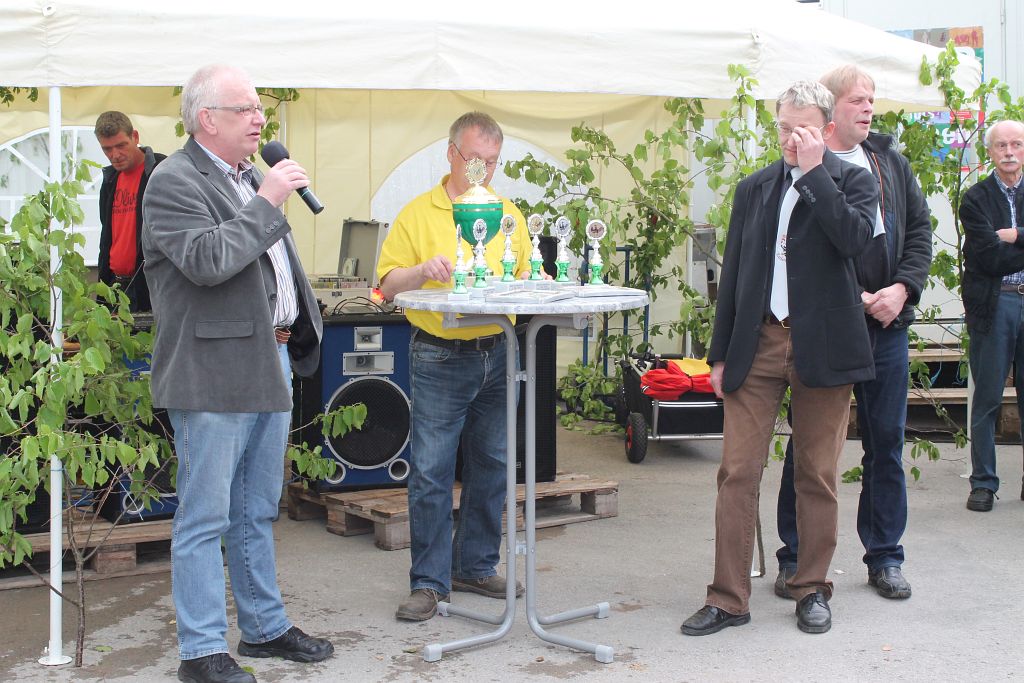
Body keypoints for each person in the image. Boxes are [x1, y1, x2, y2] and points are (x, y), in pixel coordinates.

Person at [142, 64, 331, 683]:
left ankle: (265, 627)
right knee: (205, 517)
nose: (259, 119)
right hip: (212, 371)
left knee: (257, 508)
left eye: (259, 108)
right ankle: (200, 652)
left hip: (269, 359)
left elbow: (273, 265)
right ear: (207, 119)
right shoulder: (173, 181)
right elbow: (206, 261)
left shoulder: (248, 175)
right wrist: (269, 201)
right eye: (245, 108)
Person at [680, 81, 878, 637]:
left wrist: (815, 174)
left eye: (803, 129)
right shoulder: (756, 187)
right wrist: (720, 355)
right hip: (760, 341)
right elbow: (736, 274)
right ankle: (728, 598)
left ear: (827, 129)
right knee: (737, 472)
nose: (791, 139)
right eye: (784, 128)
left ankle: (810, 588)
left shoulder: (853, 180)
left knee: (816, 473)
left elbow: (856, 243)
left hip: (824, 346)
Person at [774, 66, 933, 601]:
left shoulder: (889, 162)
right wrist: (850, 298)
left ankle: (885, 556)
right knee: (810, 446)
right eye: (857, 100)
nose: (868, 109)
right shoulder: (799, 169)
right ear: (829, 111)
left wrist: (903, 290)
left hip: (886, 326)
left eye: (871, 100)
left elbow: (919, 232)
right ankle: (795, 555)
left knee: (886, 443)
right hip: (827, 329)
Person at [377, 111, 531, 622]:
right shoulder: (417, 214)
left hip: (499, 350)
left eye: (492, 161)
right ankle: (429, 581)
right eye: (473, 159)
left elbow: (523, 279)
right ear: (450, 154)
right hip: (440, 354)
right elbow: (384, 287)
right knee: (431, 470)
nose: (481, 169)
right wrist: (422, 271)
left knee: (493, 465)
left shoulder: (509, 215)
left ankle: (476, 566)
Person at [959, 119, 1024, 513]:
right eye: (1001, 145)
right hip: (994, 304)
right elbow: (986, 256)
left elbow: (1000, 248)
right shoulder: (975, 199)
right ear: (990, 151)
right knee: (986, 398)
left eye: (1016, 144)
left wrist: (1014, 235)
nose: (1009, 152)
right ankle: (983, 483)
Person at [94, 111, 165, 312]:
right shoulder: (110, 180)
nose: (115, 155)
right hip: (115, 285)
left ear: (135, 136)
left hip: (152, 286)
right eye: (107, 149)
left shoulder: (162, 171)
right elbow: (106, 238)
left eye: (121, 145)